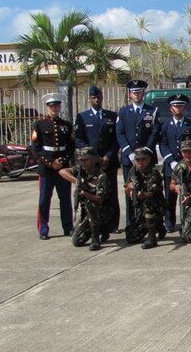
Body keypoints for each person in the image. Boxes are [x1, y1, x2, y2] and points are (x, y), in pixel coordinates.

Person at [74, 85, 120, 234]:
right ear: (89, 99)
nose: (97, 100)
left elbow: (116, 139)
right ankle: (92, 225)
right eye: (94, 97)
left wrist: (109, 155)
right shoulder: (82, 117)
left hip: (109, 162)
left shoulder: (112, 116)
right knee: (92, 194)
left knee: (111, 194)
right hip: (91, 164)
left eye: (99, 97)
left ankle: (112, 225)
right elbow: (79, 139)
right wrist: (93, 156)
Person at [116, 79, 160, 228]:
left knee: (150, 191)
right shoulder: (123, 112)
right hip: (129, 160)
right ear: (130, 94)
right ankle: (131, 223)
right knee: (131, 190)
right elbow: (120, 133)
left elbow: (155, 132)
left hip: (147, 158)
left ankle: (151, 224)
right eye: (134, 92)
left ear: (143, 93)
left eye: (139, 92)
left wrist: (146, 151)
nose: (136, 95)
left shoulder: (152, 111)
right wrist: (129, 152)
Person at [32, 92, 74, 240]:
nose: (54, 108)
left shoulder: (66, 125)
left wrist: (62, 161)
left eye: (56, 105)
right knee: (44, 199)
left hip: (62, 167)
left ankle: (68, 227)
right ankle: (43, 229)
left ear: (60, 107)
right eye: (51, 106)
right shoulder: (39, 124)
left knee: (65, 199)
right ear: (47, 107)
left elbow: (70, 146)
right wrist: (50, 163)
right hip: (46, 168)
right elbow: (36, 148)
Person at [159, 94, 191, 232]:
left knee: (188, 194)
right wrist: (170, 161)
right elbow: (163, 145)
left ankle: (188, 221)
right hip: (171, 166)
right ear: (171, 108)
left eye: (181, 106)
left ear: (185, 108)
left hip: (187, 165)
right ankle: (170, 222)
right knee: (170, 196)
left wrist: (186, 161)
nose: (178, 108)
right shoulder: (165, 125)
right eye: (176, 106)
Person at [59, 147, 111, 251]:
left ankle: (96, 237)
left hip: (101, 211)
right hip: (86, 212)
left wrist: (85, 194)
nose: (83, 163)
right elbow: (62, 171)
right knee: (76, 241)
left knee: (90, 203)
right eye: (81, 160)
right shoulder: (81, 171)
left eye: (86, 160)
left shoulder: (101, 176)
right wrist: (76, 181)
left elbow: (100, 199)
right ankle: (97, 229)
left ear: (94, 159)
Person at [124, 148, 166, 249]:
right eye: (138, 160)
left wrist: (140, 194)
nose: (140, 163)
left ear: (149, 159)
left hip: (155, 205)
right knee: (132, 237)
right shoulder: (133, 171)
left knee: (148, 204)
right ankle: (156, 226)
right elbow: (126, 189)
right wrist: (129, 189)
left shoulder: (153, 172)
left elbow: (151, 194)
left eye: (143, 159)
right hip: (139, 206)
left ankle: (152, 237)